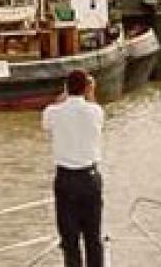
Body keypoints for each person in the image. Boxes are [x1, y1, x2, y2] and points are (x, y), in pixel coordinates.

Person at [42, 69, 105, 267]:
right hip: (90, 178)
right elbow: (96, 114)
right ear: (87, 88)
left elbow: (46, 124)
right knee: (93, 238)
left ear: (66, 88)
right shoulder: (96, 111)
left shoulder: (52, 112)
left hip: (66, 180)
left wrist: (64, 95)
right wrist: (91, 93)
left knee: (70, 240)